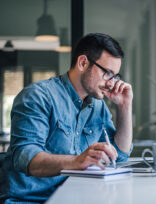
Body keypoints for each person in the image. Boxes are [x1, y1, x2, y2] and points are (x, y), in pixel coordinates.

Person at [0, 33, 133, 203]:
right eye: (107, 73)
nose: (111, 83)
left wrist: (124, 106)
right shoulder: (38, 96)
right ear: (83, 63)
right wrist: (77, 161)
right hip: (31, 200)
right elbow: (25, 156)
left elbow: (119, 156)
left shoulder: (98, 106)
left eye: (115, 76)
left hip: (74, 197)